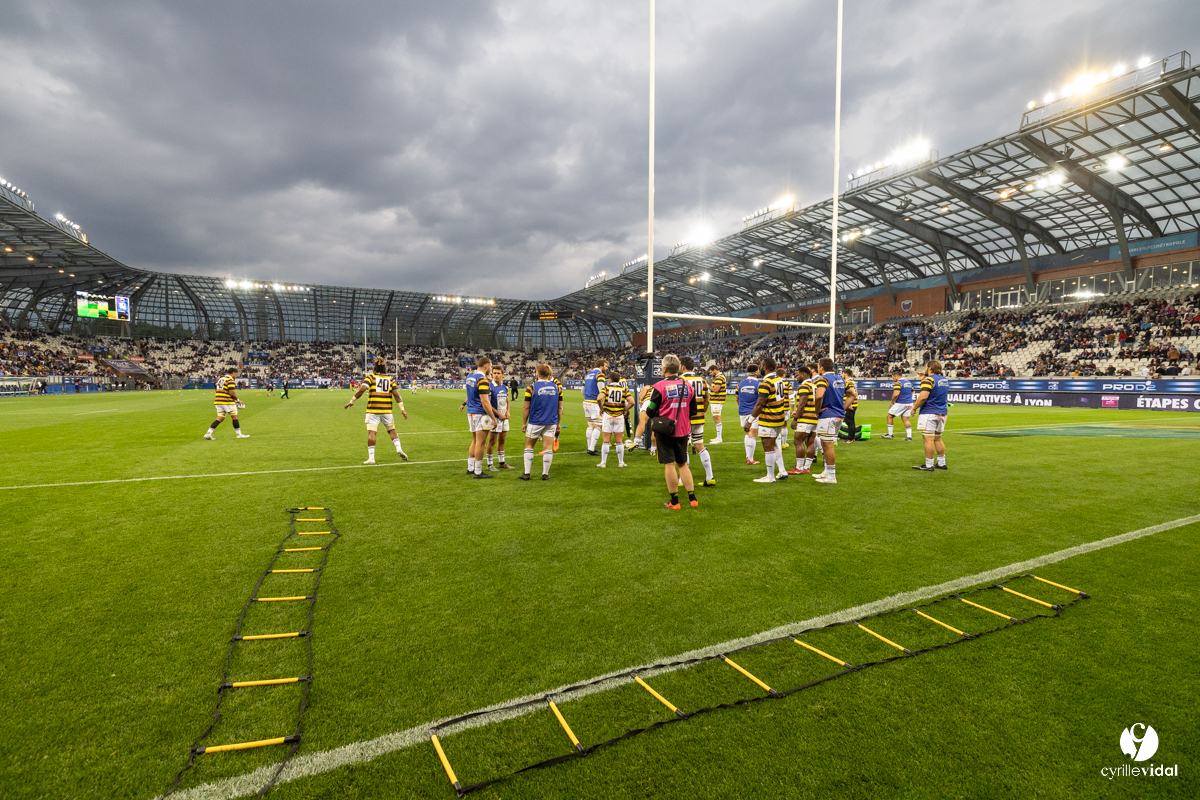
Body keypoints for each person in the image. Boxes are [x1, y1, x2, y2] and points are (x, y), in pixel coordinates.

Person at [645, 354, 698, 509]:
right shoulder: (687, 385)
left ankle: (674, 501)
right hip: (683, 429)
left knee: (669, 464)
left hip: (666, 431)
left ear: (664, 369)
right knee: (683, 464)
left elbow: (651, 411)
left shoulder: (659, 387)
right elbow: (693, 410)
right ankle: (692, 498)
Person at [343, 357, 408, 464]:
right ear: (384, 368)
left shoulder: (370, 378)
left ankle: (371, 458)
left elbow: (361, 389)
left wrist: (352, 401)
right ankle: (398, 448)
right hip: (387, 411)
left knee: (372, 433)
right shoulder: (390, 379)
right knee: (392, 431)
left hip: (373, 410)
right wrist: (402, 409)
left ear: (375, 367)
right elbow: (397, 395)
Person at [746, 356, 789, 483]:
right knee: (774, 444)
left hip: (769, 418)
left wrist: (750, 420)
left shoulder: (765, 383)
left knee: (767, 446)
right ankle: (782, 470)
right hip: (779, 416)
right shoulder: (779, 380)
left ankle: (770, 476)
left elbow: (760, 404)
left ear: (764, 367)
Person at [520, 363, 563, 481]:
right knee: (548, 447)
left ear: (537, 374)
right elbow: (560, 408)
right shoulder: (557, 388)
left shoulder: (531, 388)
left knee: (529, 446)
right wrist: (558, 423)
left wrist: (524, 423)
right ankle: (545, 474)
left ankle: (527, 473)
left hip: (535, 421)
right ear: (549, 375)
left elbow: (526, 407)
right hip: (551, 422)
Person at [680, 356, 715, 487]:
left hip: (685, 419)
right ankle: (710, 477)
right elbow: (707, 399)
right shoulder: (702, 380)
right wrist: (702, 411)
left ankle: (682, 479)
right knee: (700, 445)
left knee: (684, 448)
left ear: (683, 367)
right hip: (699, 418)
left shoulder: (681, 380)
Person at [811, 357, 845, 484]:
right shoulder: (840, 379)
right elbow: (852, 394)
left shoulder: (823, 379)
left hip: (828, 415)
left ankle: (831, 477)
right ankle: (826, 472)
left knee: (828, 445)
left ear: (822, 367)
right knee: (825, 443)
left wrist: (817, 410)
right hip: (838, 415)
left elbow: (819, 395)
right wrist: (842, 407)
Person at [912, 360, 950, 471]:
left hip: (929, 412)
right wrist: (923, 379)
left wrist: (914, 408)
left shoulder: (928, 380)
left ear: (929, 368)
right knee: (938, 439)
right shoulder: (944, 380)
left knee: (928, 439)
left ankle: (929, 465)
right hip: (942, 412)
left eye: (926, 367)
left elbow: (923, 396)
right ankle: (942, 463)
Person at [464, 356, 498, 479]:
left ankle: (470, 467)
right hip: (480, 413)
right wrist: (493, 418)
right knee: (480, 442)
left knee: (474, 440)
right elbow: (485, 401)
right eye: (491, 366)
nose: (491, 369)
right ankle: (478, 472)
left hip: (471, 412)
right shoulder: (482, 379)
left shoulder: (470, 376)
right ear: (486, 366)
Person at [597, 369, 632, 468]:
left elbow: (599, 398)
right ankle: (621, 462)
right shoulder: (624, 389)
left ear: (610, 379)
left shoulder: (606, 388)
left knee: (606, 440)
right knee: (619, 440)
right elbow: (632, 401)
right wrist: (625, 409)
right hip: (619, 416)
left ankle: (603, 463)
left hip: (608, 415)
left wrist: (601, 408)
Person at [787, 365, 819, 475]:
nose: (796, 377)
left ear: (803, 374)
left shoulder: (804, 386)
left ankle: (799, 468)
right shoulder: (814, 386)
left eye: (797, 375)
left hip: (805, 419)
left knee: (798, 441)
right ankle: (806, 467)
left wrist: (796, 419)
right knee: (810, 443)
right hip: (814, 418)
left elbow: (802, 404)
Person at [203, 367, 250, 440]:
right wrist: (237, 400)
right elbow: (232, 393)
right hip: (226, 401)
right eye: (236, 374)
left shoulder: (221, 379)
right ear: (233, 373)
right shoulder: (230, 380)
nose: (236, 375)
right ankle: (239, 434)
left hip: (218, 401)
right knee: (234, 416)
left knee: (220, 418)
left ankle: (208, 433)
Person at [486, 365, 514, 470]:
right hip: (495, 418)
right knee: (492, 441)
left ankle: (502, 463)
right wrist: (499, 414)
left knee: (502, 441)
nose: (496, 375)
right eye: (494, 373)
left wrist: (508, 412)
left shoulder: (504, 387)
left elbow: (507, 401)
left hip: (504, 418)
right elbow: (488, 404)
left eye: (498, 373)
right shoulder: (490, 386)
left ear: (502, 375)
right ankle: (489, 464)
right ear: (492, 374)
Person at [582, 358, 609, 456]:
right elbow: (602, 390)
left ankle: (589, 447)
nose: (606, 368)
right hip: (594, 403)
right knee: (598, 425)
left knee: (590, 425)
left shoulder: (588, 374)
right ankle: (591, 449)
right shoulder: (600, 374)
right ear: (601, 366)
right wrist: (603, 404)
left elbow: (582, 391)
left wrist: (587, 397)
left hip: (586, 402)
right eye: (606, 366)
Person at [736, 365, 762, 465]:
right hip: (753, 412)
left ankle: (748, 456)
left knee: (747, 433)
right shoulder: (759, 384)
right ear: (757, 372)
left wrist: (742, 407)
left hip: (742, 411)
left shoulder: (740, 383)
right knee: (752, 435)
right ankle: (750, 459)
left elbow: (737, 398)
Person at [884, 368, 914, 441]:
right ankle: (909, 437)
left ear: (896, 376)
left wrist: (892, 402)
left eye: (893, 377)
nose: (893, 379)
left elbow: (896, 394)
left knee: (889, 416)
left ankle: (890, 435)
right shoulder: (909, 382)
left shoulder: (898, 383)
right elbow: (912, 392)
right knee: (906, 419)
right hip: (910, 403)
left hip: (901, 402)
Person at [707, 362, 727, 443]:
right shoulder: (719, 377)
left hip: (717, 401)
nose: (711, 374)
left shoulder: (719, 378)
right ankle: (718, 437)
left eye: (711, 372)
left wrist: (707, 386)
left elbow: (716, 389)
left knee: (717, 418)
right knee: (716, 418)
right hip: (716, 401)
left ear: (715, 370)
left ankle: (719, 438)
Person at [839, 368, 861, 441]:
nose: (842, 375)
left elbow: (851, 393)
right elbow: (856, 392)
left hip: (850, 404)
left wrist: (849, 404)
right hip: (852, 403)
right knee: (849, 421)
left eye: (842, 373)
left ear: (845, 373)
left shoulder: (849, 382)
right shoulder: (852, 381)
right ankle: (852, 437)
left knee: (849, 421)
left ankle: (850, 438)